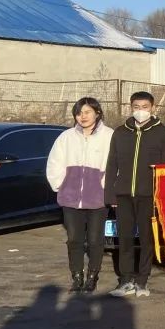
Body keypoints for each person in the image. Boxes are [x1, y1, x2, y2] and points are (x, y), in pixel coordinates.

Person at [105, 91, 165, 298]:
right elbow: (112, 164)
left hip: (149, 195)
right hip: (123, 194)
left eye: (145, 107)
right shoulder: (120, 132)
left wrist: (161, 195)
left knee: (147, 239)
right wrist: (110, 194)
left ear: (152, 108)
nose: (140, 111)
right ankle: (126, 280)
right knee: (125, 238)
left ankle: (142, 281)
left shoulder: (163, 133)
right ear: (131, 107)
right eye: (136, 107)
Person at [46, 97, 114, 294]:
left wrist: (106, 188)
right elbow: (54, 163)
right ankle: (77, 276)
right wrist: (60, 185)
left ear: (97, 113)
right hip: (71, 198)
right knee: (74, 239)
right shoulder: (66, 137)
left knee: (95, 240)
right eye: (78, 113)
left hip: (98, 199)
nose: (82, 116)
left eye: (87, 112)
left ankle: (92, 276)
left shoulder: (109, 136)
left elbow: (115, 166)